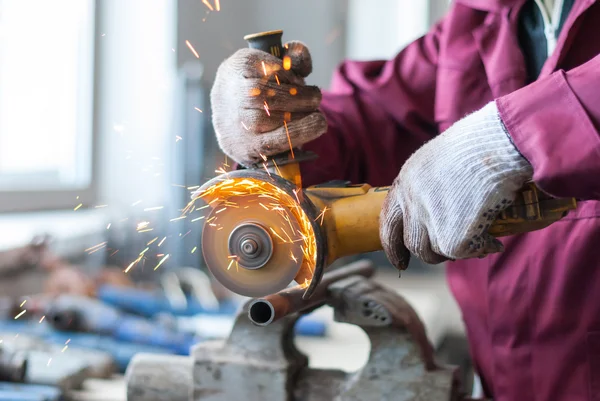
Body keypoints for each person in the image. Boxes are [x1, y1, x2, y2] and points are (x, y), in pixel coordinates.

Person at [211, 0, 600, 400]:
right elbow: (375, 120)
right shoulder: (487, 16)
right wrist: (271, 125)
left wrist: (515, 135)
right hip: (512, 377)